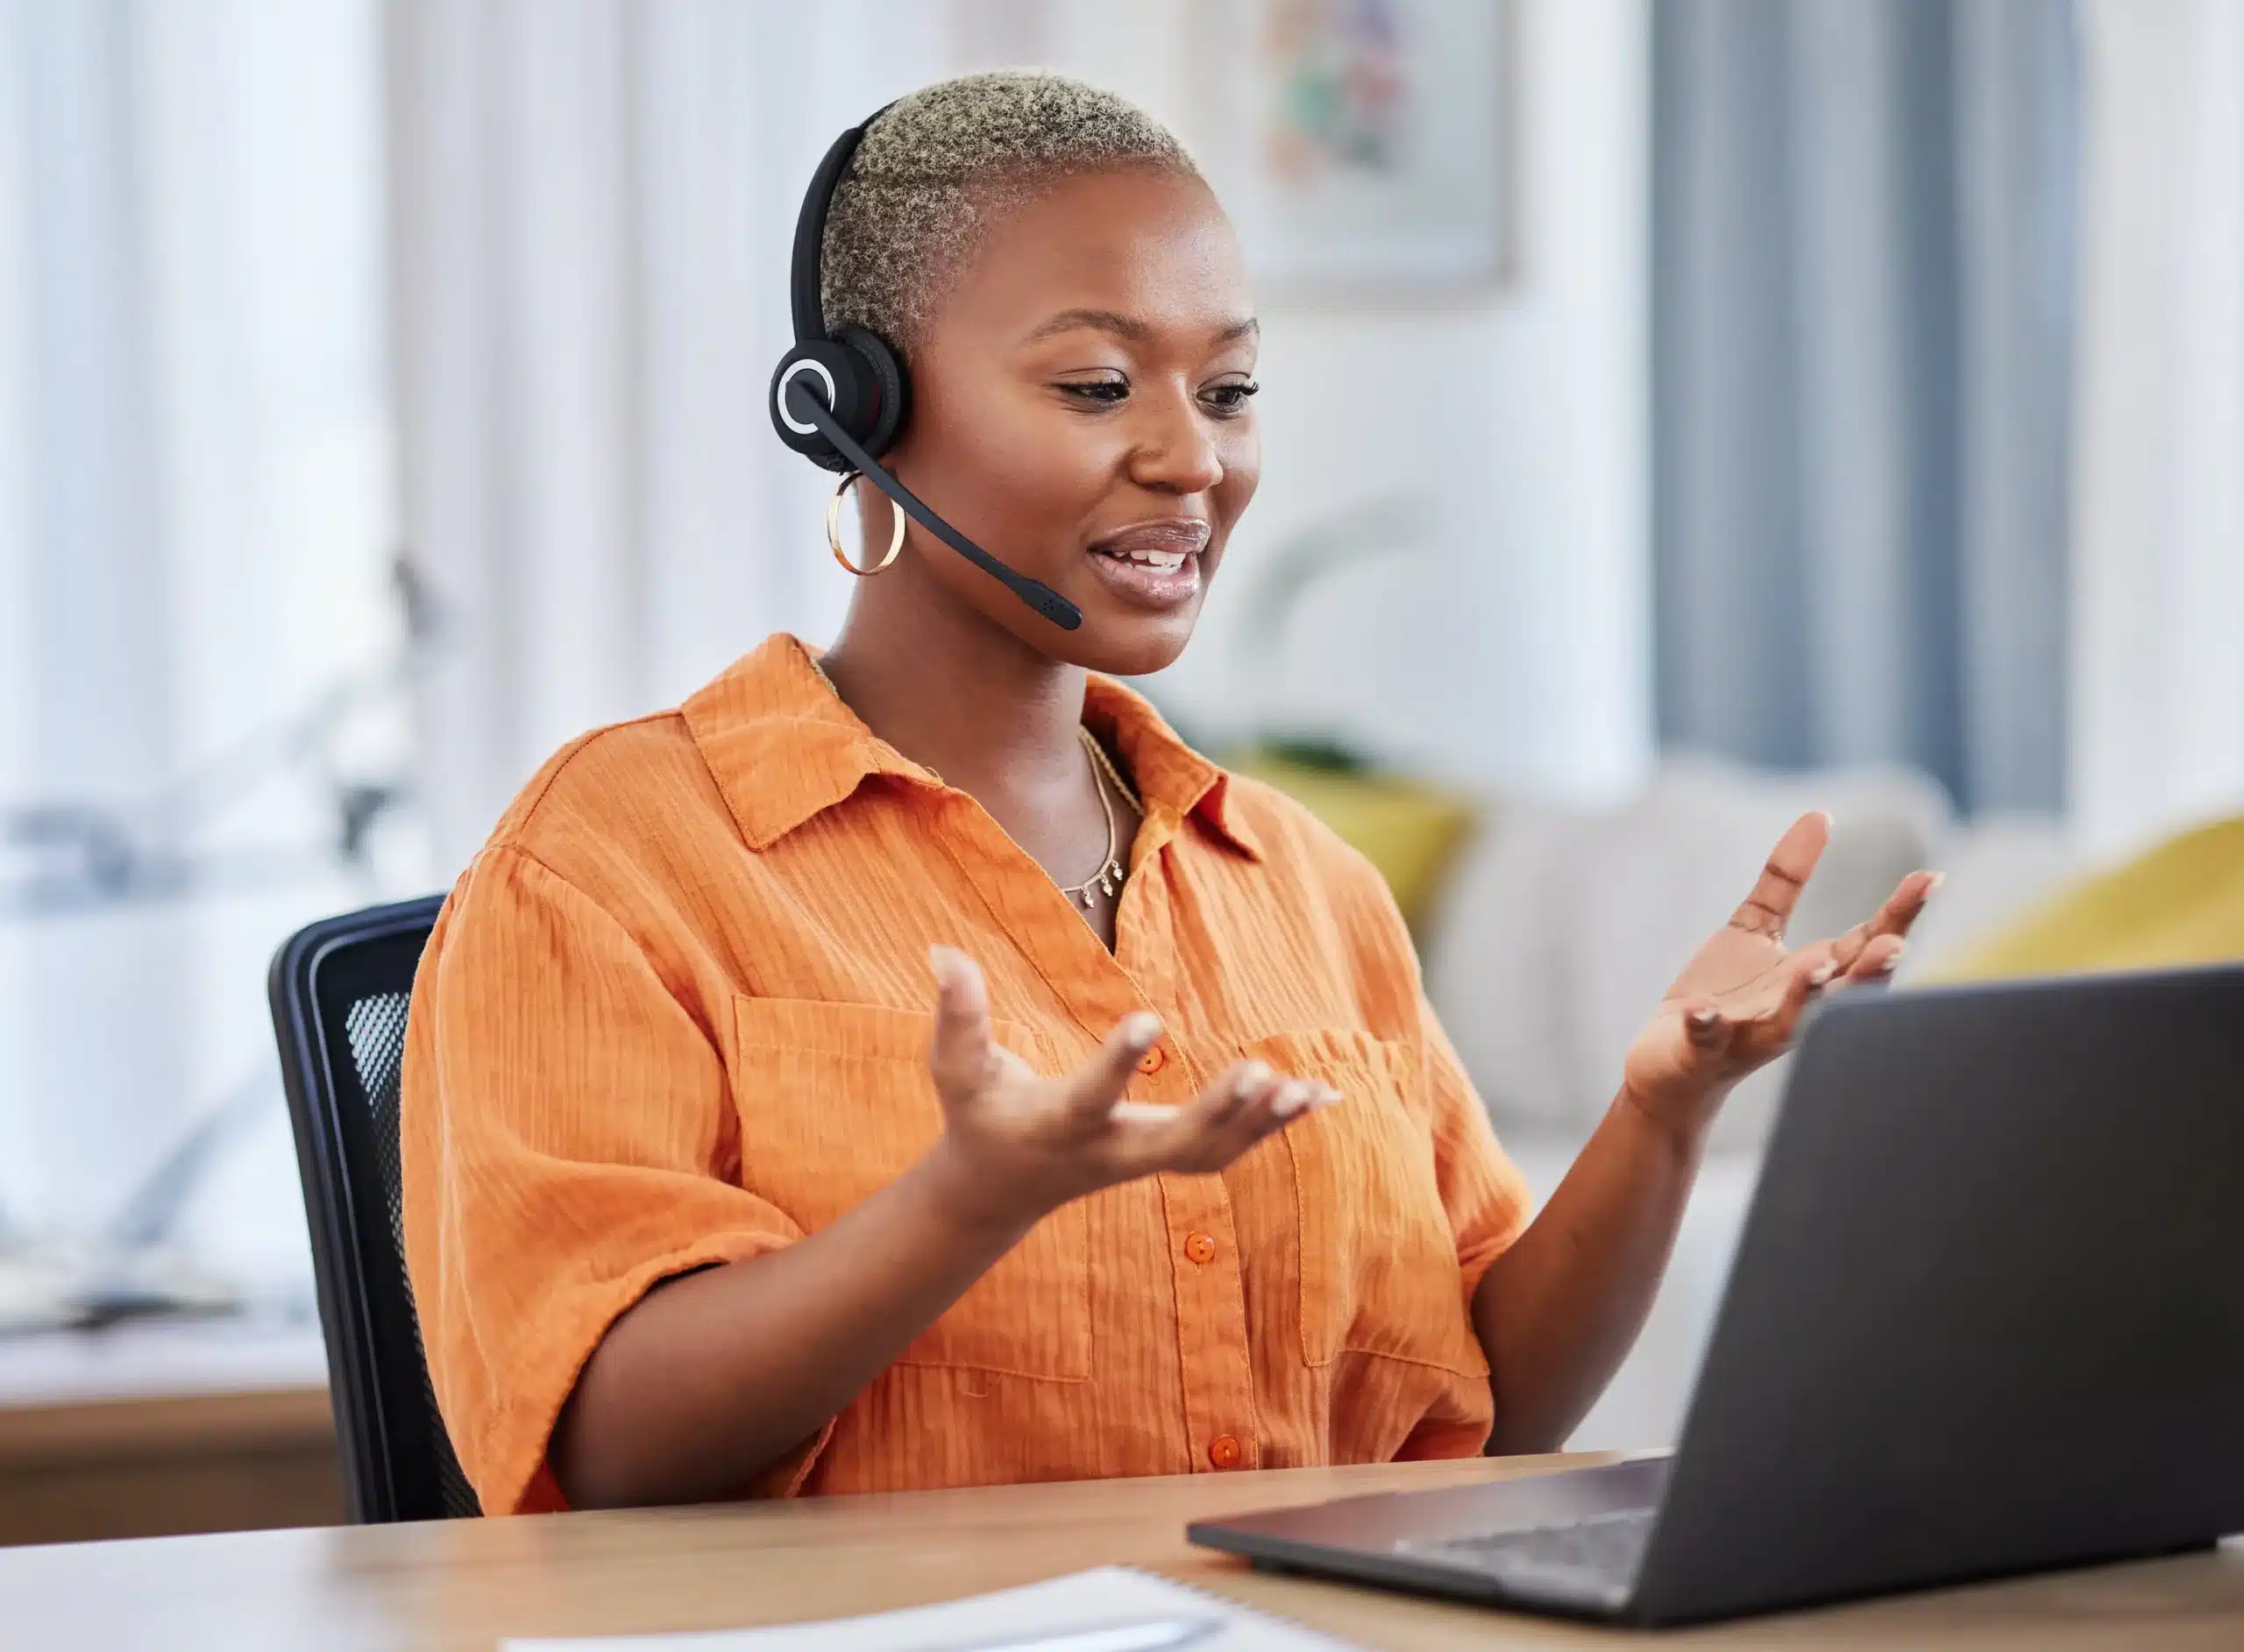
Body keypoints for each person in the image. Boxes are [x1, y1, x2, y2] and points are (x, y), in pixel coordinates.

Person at [401, 71, 1932, 1516]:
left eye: (1232, 387)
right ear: (854, 408)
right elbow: (597, 1450)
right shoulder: (613, 860)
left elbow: (1483, 1417)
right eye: (1094, 383)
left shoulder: (1303, 886)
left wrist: (1661, 1112)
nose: (1190, 458)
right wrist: (962, 1206)